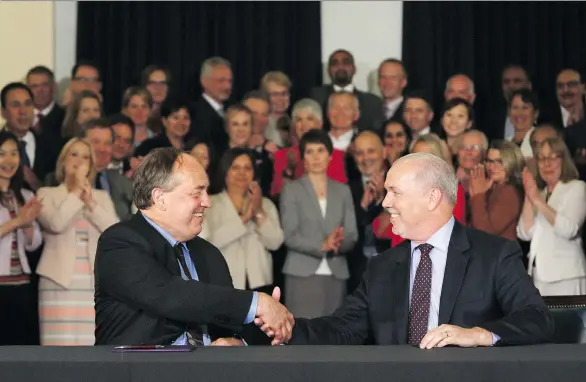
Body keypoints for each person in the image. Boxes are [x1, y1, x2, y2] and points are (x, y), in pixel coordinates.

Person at [257, 152, 554, 347]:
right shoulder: (382, 266)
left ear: (432, 198)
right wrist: (289, 327)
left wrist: (477, 335)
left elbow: (538, 319)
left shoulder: (494, 255)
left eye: (395, 192)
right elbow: (342, 328)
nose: (385, 202)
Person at [94, 148, 294, 346]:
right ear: (160, 198)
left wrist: (236, 341)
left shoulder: (208, 253)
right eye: (197, 193)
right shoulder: (120, 242)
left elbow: (226, 318)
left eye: (206, 192)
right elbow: (169, 295)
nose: (207, 202)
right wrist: (256, 303)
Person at [36, 138, 119, 345]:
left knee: (90, 348)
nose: (80, 161)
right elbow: (56, 223)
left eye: (85, 157)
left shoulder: (100, 197)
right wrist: (75, 192)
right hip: (58, 280)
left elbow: (114, 231)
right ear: (63, 161)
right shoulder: (47, 194)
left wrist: (90, 202)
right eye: (74, 154)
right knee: (58, 349)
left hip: (93, 283)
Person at [280, 130, 358, 318]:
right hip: (301, 273)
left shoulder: (343, 190)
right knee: (303, 336)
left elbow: (352, 234)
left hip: (336, 273)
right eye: (309, 151)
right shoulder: (291, 190)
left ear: (330, 156)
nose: (315, 157)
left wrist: (338, 243)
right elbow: (290, 235)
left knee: (333, 337)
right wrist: (322, 245)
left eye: (321, 150)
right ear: (303, 157)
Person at [0, 131, 43, 345]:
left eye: (14, 154)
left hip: (22, 282)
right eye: (2, 154)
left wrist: (27, 223)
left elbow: (34, 243)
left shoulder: (24, 195)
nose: (9, 161)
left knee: (21, 348)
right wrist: (18, 220)